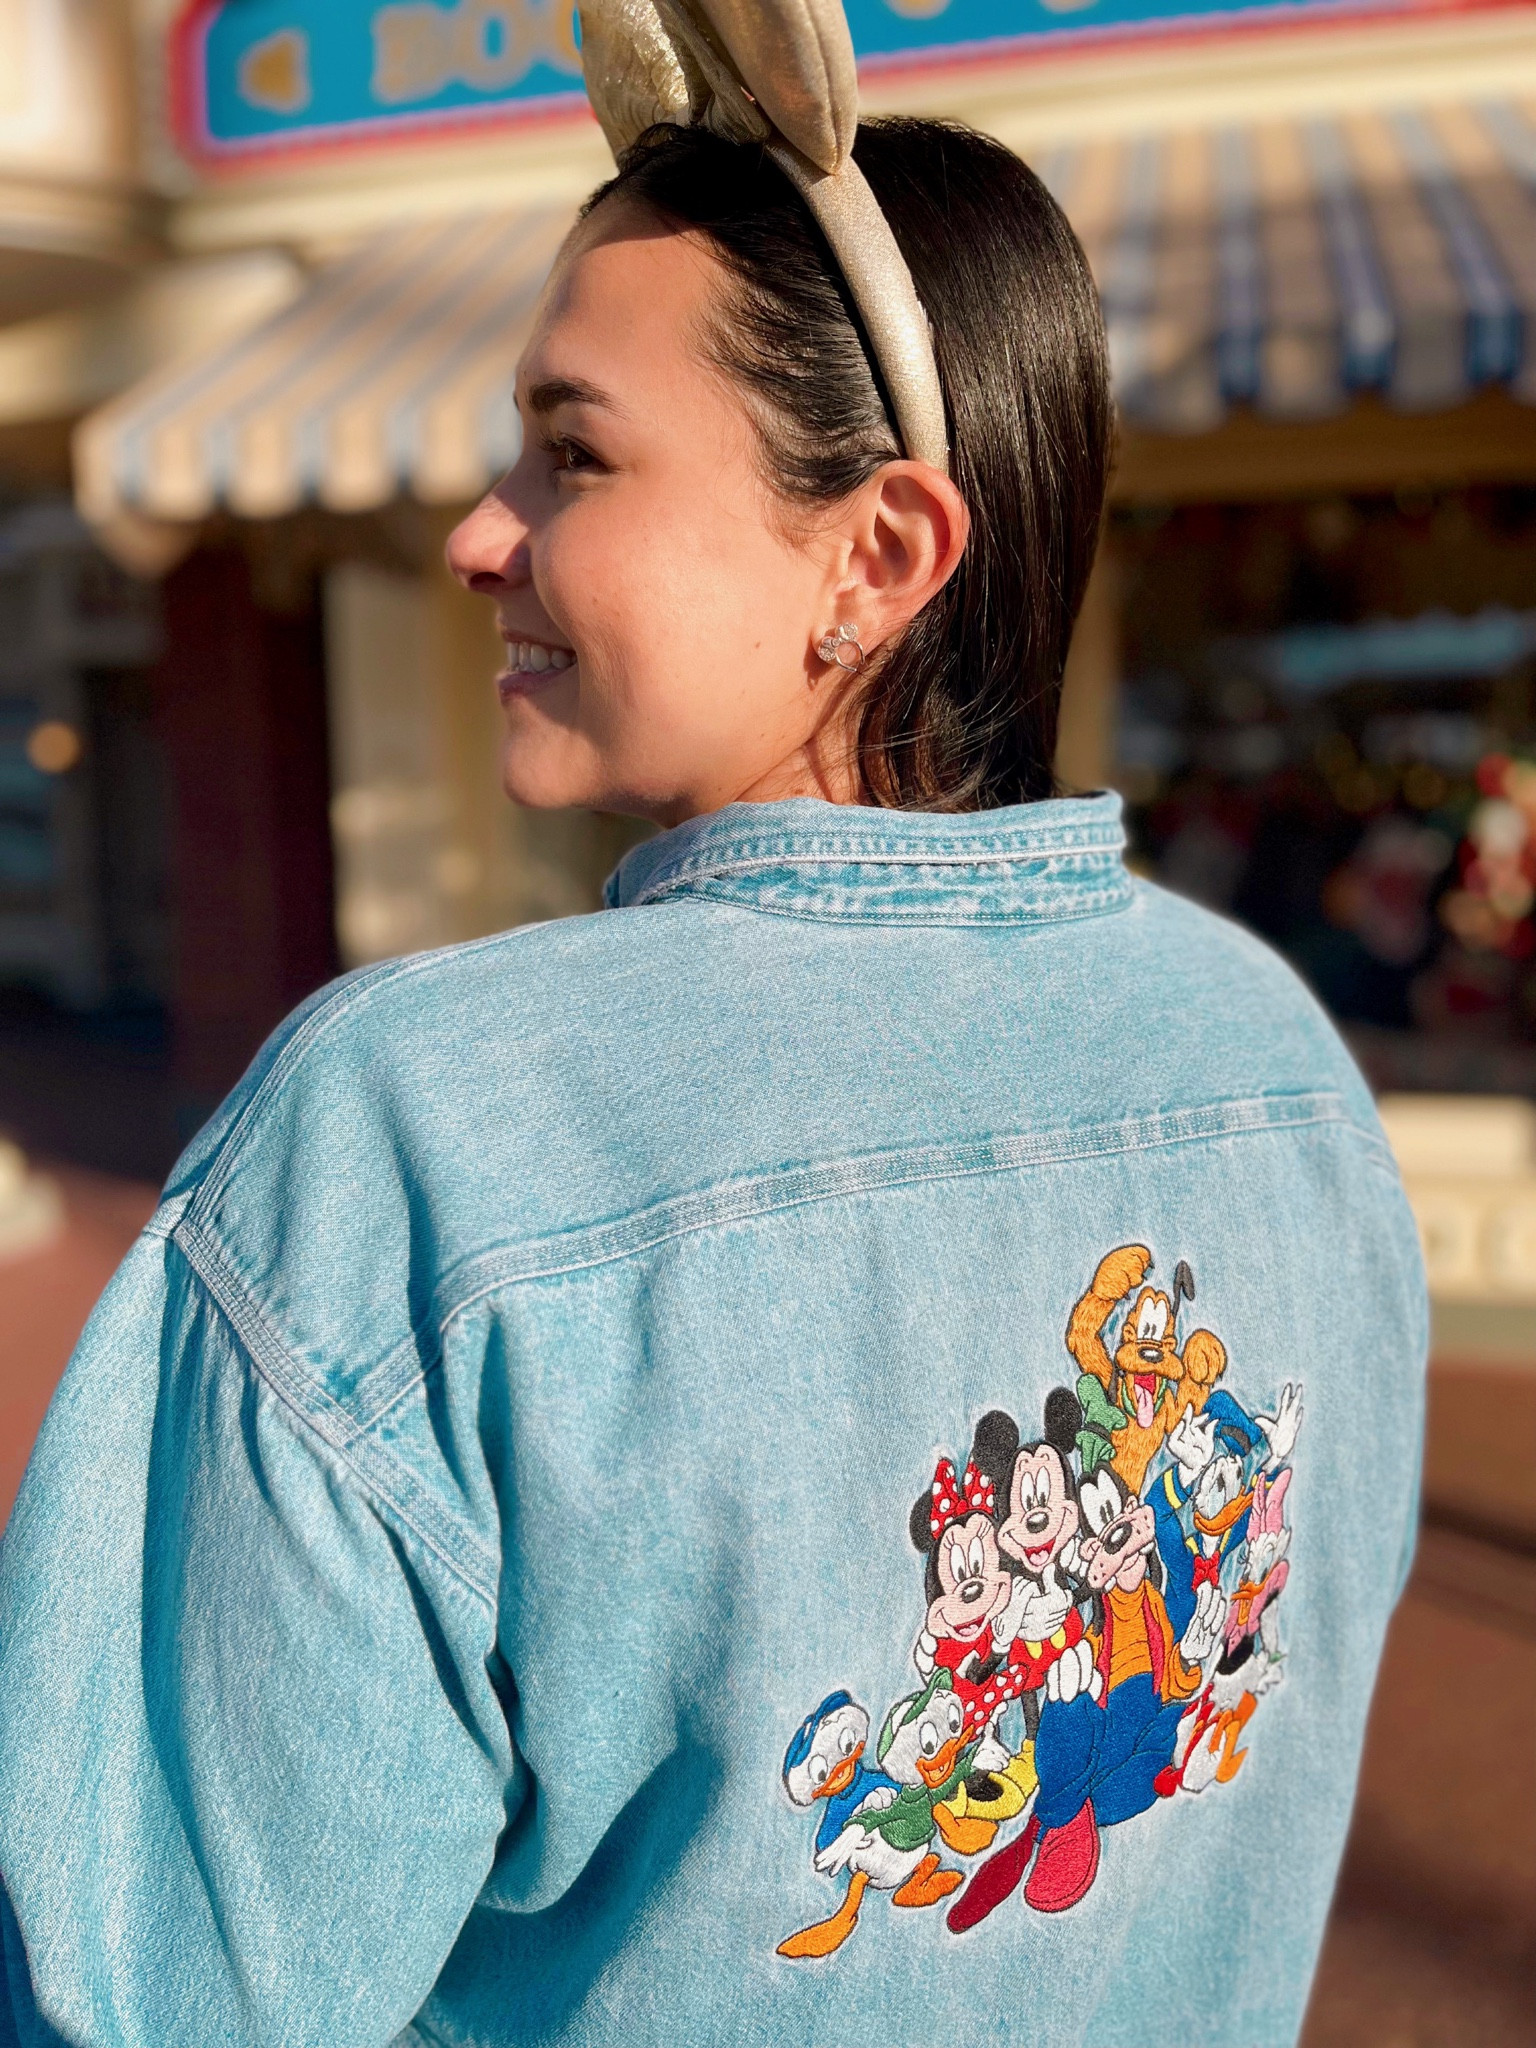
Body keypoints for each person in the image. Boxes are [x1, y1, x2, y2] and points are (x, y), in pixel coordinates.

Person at [0, 5, 1424, 2044]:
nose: (480, 531)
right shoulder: (1275, 1058)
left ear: (881, 553)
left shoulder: (417, 1131)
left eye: (573, 451)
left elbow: (135, 1994)